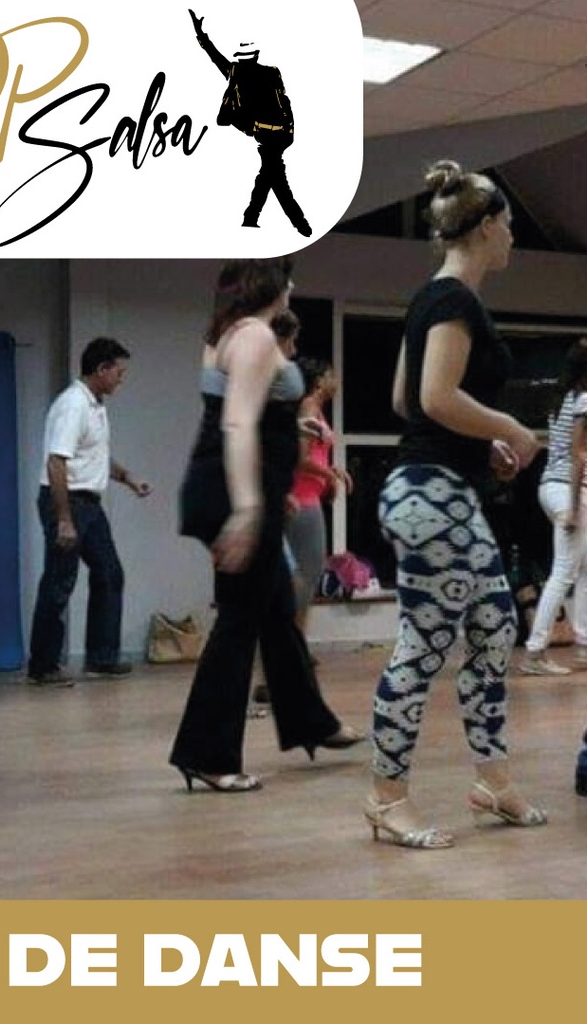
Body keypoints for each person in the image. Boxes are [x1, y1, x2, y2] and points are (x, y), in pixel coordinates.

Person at [367, 160, 547, 849]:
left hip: (441, 489)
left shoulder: (432, 298)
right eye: (509, 224)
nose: (513, 237)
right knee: (423, 645)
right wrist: (510, 429)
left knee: (496, 627)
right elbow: (436, 398)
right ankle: (386, 798)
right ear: (486, 226)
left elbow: (404, 399)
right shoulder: (454, 301)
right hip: (430, 495)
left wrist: (482, 443)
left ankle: (492, 782)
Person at [170, 259, 361, 793]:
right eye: (287, 278)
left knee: (278, 609)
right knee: (239, 620)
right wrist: (250, 508)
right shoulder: (254, 336)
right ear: (271, 285)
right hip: (233, 494)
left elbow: (248, 418)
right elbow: (236, 424)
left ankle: (310, 721)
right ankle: (207, 755)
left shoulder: (226, 333)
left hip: (229, 487)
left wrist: (274, 488)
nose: (293, 286)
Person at [27, 337, 151, 686]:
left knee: (109, 573)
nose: (121, 379)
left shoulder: (95, 406)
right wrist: (64, 519)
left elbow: (93, 455)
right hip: (67, 502)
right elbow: (56, 462)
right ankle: (43, 666)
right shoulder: (73, 406)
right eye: (118, 372)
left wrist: (128, 478)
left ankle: (101, 658)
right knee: (59, 582)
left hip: (90, 505)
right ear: (101, 369)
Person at [188, 8, 310, 236]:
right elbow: (285, 102)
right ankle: (256, 219)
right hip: (280, 134)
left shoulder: (237, 71)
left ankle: (294, 223)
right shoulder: (272, 72)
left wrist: (201, 35)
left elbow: (215, 57)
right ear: (256, 55)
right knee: (270, 176)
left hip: (267, 134)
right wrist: (289, 130)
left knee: (273, 179)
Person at [519, 340, 587, 676]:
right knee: (564, 572)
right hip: (568, 491)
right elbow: (579, 457)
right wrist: (573, 507)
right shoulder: (585, 401)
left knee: (584, 568)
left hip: (550, 486)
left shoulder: (561, 401)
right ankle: (534, 653)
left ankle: (584, 646)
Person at [286, 358, 352, 628]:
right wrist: (329, 476)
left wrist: (330, 470)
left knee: (306, 571)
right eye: (331, 375)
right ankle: (293, 637)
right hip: (301, 498)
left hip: (307, 496)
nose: (336, 381)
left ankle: (294, 637)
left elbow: (314, 455)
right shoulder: (309, 407)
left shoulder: (315, 409)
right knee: (309, 570)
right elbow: (301, 459)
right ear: (319, 381)